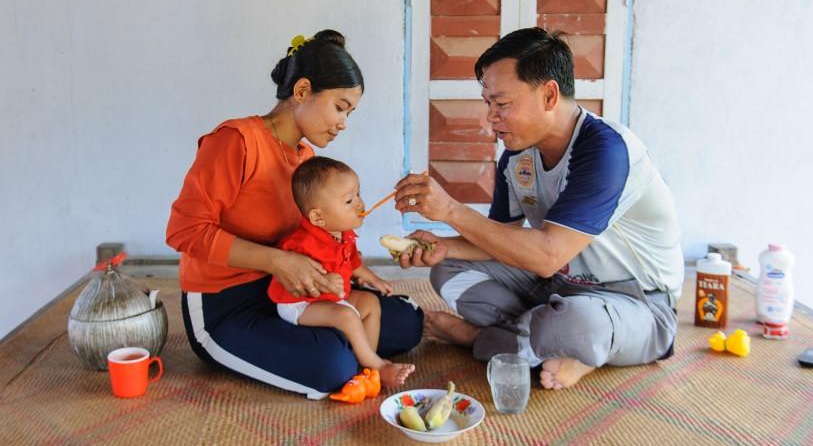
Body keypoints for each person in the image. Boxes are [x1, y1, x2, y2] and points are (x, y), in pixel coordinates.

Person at [392, 27, 683, 390]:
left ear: (548, 95)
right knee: (445, 270)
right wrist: (444, 246)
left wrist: (450, 210)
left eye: (502, 104)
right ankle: (551, 340)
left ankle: (487, 340)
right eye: (488, 104)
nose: (490, 118)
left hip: (636, 303)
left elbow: (547, 254)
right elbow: (503, 240)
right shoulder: (517, 156)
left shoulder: (604, 150)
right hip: (556, 285)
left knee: (574, 324)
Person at [166, 30, 423, 399]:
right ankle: (337, 353)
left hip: (288, 295)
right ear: (302, 91)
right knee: (332, 367)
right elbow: (184, 231)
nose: (343, 123)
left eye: (350, 112)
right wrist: (279, 262)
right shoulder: (235, 141)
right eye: (340, 106)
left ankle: (337, 347)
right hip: (226, 305)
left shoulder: (306, 161)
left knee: (406, 323)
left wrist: (352, 269)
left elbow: (315, 239)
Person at [267, 156, 415, 388]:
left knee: (370, 303)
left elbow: (354, 263)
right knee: (347, 316)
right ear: (318, 216)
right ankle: (379, 366)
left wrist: (373, 279)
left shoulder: (343, 233)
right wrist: (325, 280)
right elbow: (297, 275)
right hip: (300, 303)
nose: (360, 204)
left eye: (358, 194)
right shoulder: (300, 244)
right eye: (348, 201)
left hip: (332, 297)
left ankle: (366, 365)